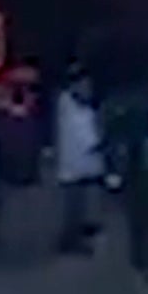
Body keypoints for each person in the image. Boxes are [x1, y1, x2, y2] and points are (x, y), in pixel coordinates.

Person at [51, 67, 107, 254]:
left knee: (87, 203)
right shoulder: (66, 102)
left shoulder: (88, 107)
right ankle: (69, 241)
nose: (87, 88)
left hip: (89, 163)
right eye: (83, 84)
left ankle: (80, 236)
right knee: (73, 206)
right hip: (73, 165)